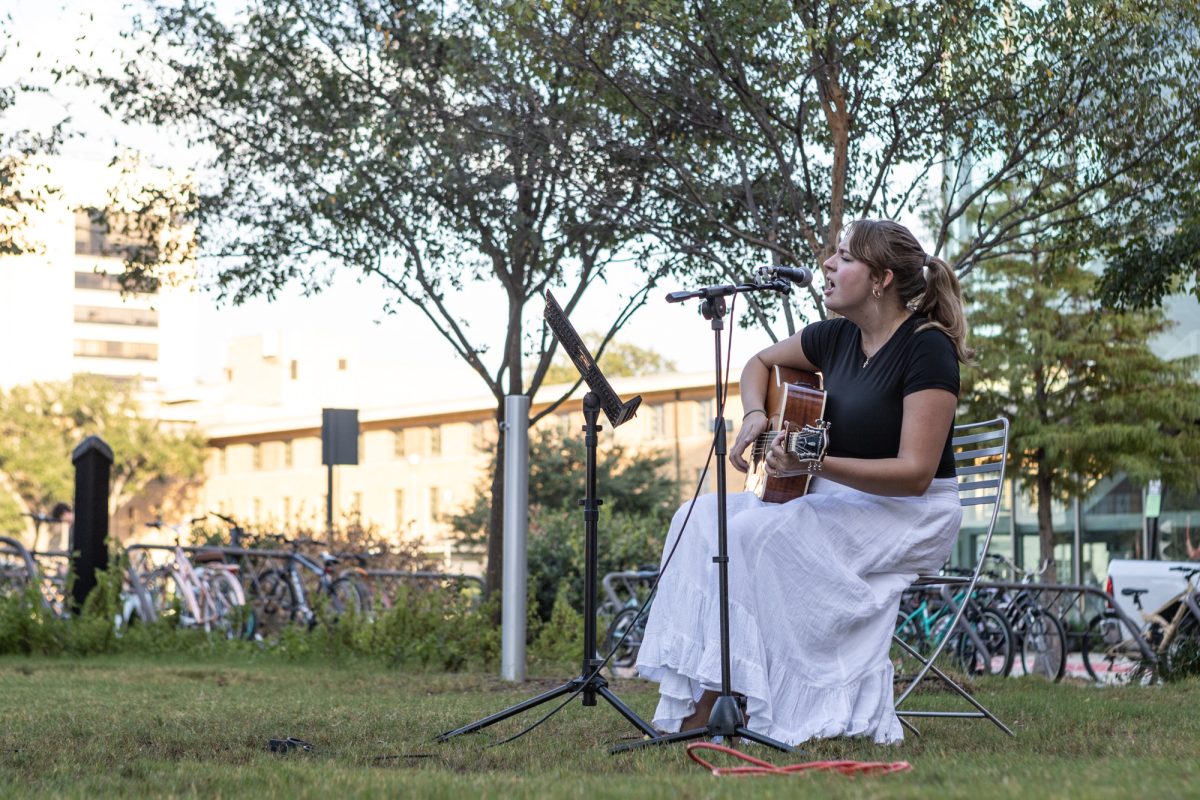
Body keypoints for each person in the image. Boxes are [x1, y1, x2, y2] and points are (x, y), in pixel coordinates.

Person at [635, 219, 972, 746]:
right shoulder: (836, 336)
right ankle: (711, 690)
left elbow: (914, 474)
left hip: (909, 511)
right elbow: (760, 361)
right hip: (834, 496)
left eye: (844, 257)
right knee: (696, 520)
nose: (827, 267)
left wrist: (814, 462)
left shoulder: (927, 349)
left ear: (881, 279)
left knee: (755, 537)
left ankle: (731, 703)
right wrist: (754, 415)